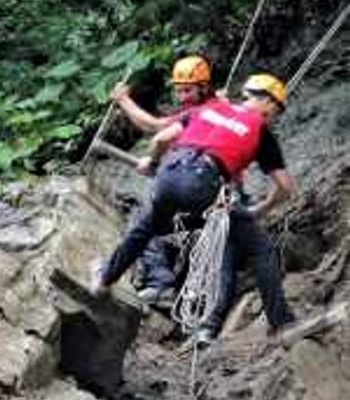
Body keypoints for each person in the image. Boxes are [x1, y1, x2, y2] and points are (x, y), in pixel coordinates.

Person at [93, 73, 296, 340]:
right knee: (260, 248)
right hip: (205, 185)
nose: (273, 118)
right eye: (275, 112)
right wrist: (261, 210)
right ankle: (280, 324)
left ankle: (104, 278)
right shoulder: (260, 129)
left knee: (145, 227)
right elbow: (285, 187)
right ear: (267, 104)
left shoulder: (209, 108)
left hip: (169, 176)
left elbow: (160, 139)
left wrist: (152, 163)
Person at [110, 55, 222, 307]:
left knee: (143, 220)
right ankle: (167, 279)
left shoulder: (201, 111)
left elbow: (156, 129)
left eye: (188, 90)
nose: (182, 96)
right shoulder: (215, 107)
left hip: (203, 197)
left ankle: (160, 285)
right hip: (208, 193)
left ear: (204, 87)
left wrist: (123, 101)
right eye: (179, 90)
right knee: (154, 214)